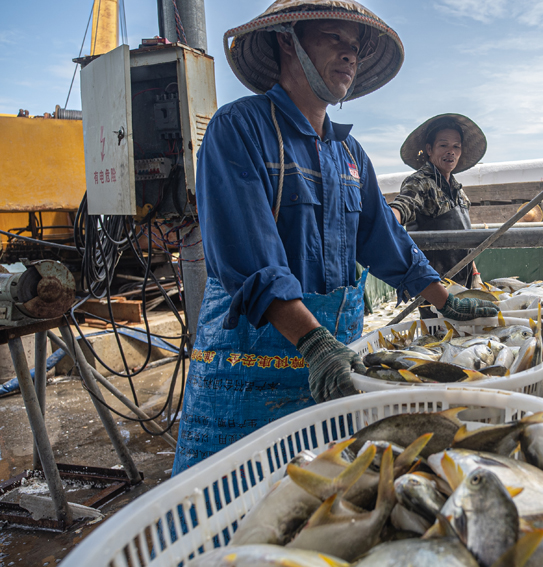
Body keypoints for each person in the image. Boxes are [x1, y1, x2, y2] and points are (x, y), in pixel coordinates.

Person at [172, 0, 497, 474]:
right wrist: (312, 343)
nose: (349, 55)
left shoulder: (350, 154)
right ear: (288, 41)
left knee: (325, 500)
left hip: (338, 367)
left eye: (355, 46)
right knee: (236, 511)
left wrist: (445, 298)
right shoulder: (239, 128)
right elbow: (250, 254)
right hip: (250, 374)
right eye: (333, 38)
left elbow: (384, 238)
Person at [389, 114, 487, 291]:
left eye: (456, 146)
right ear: (429, 149)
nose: (451, 151)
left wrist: (475, 275)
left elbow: (464, 241)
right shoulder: (420, 182)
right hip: (433, 287)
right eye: (443, 145)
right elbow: (403, 205)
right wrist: (386, 221)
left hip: (463, 284)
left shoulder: (460, 192)